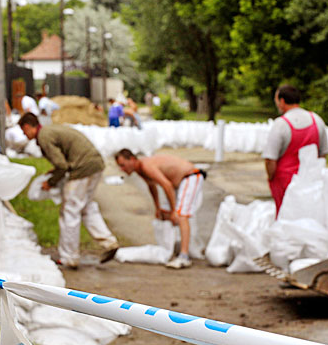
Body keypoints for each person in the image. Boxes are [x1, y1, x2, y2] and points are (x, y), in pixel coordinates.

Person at [18, 113, 119, 268]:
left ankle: (69, 257)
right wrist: (55, 171)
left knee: (69, 212)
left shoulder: (44, 137)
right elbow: (63, 160)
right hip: (95, 164)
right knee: (86, 208)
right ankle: (109, 242)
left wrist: (50, 182)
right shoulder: (49, 131)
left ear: (27, 126)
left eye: (24, 131)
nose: (24, 135)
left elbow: (62, 166)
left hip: (82, 169)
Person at [115, 149, 205, 269]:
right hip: (181, 182)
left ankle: (184, 257)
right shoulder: (140, 170)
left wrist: (174, 211)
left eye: (123, 165)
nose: (122, 169)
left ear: (132, 159)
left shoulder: (146, 166)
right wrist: (158, 208)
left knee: (181, 215)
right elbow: (152, 187)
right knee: (167, 214)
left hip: (191, 177)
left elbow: (166, 185)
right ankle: (180, 247)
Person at [262, 85, 328, 215]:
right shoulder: (316, 120)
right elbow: (323, 153)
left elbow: (270, 159)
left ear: (282, 101)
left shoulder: (281, 124)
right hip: (309, 179)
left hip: (285, 182)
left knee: (285, 217)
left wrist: (271, 177)